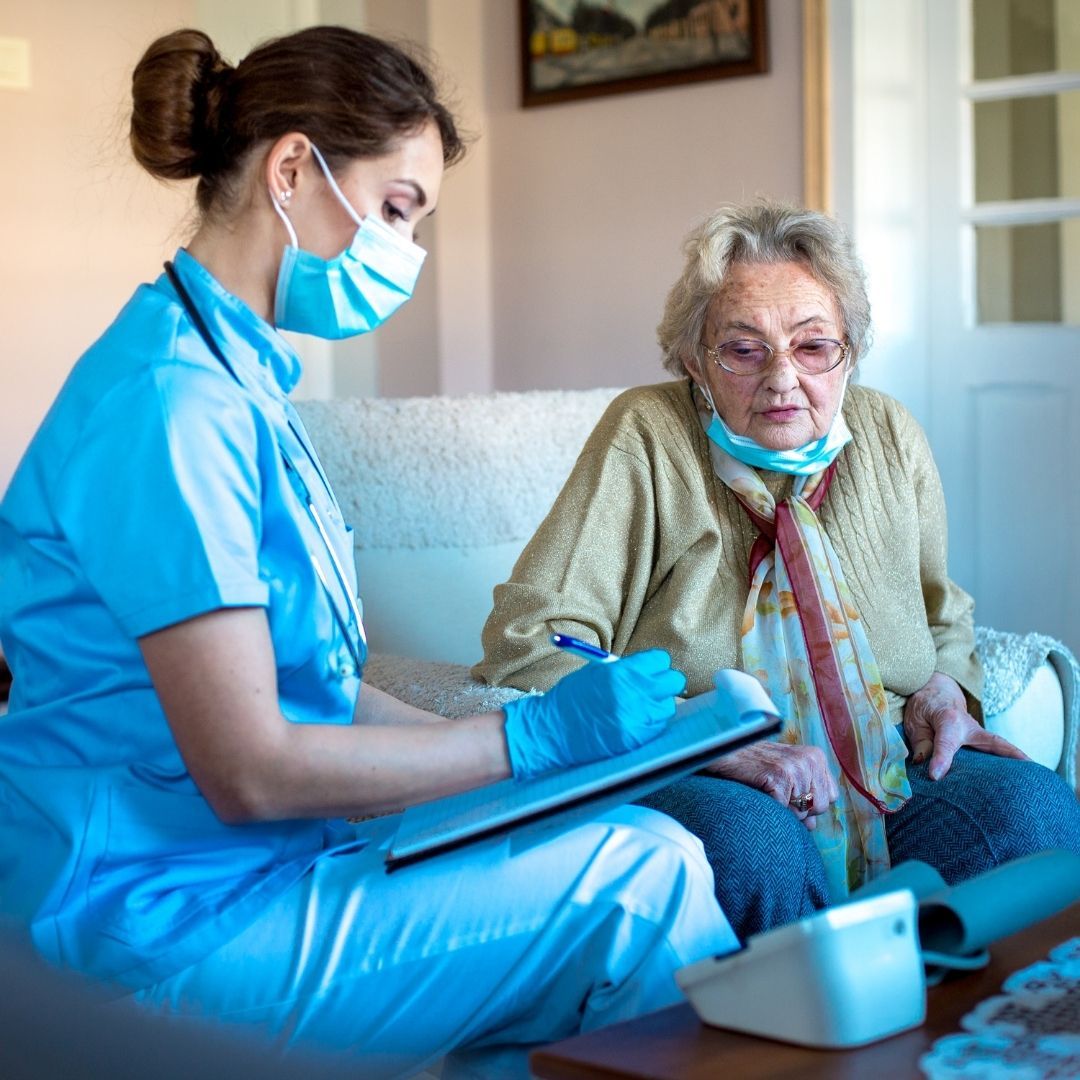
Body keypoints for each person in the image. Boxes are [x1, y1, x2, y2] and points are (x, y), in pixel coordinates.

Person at [0, 28, 741, 1080]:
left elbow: (322, 690)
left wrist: (537, 753)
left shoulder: (242, 383)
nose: (405, 252)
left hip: (262, 870)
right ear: (291, 171)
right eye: (396, 209)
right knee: (640, 884)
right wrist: (524, 741)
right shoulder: (171, 407)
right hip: (148, 925)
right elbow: (251, 768)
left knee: (635, 838)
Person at [475, 201, 1080, 940]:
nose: (783, 379)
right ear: (695, 361)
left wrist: (946, 688)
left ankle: (966, 1013)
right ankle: (807, 1014)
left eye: (813, 346)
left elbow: (941, 609)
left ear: (849, 353)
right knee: (757, 849)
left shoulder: (889, 433)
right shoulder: (646, 434)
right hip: (702, 761)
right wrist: (701, 739)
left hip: (885, 750)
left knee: (1033, 809)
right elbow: (529, 640)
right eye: (744, 349)